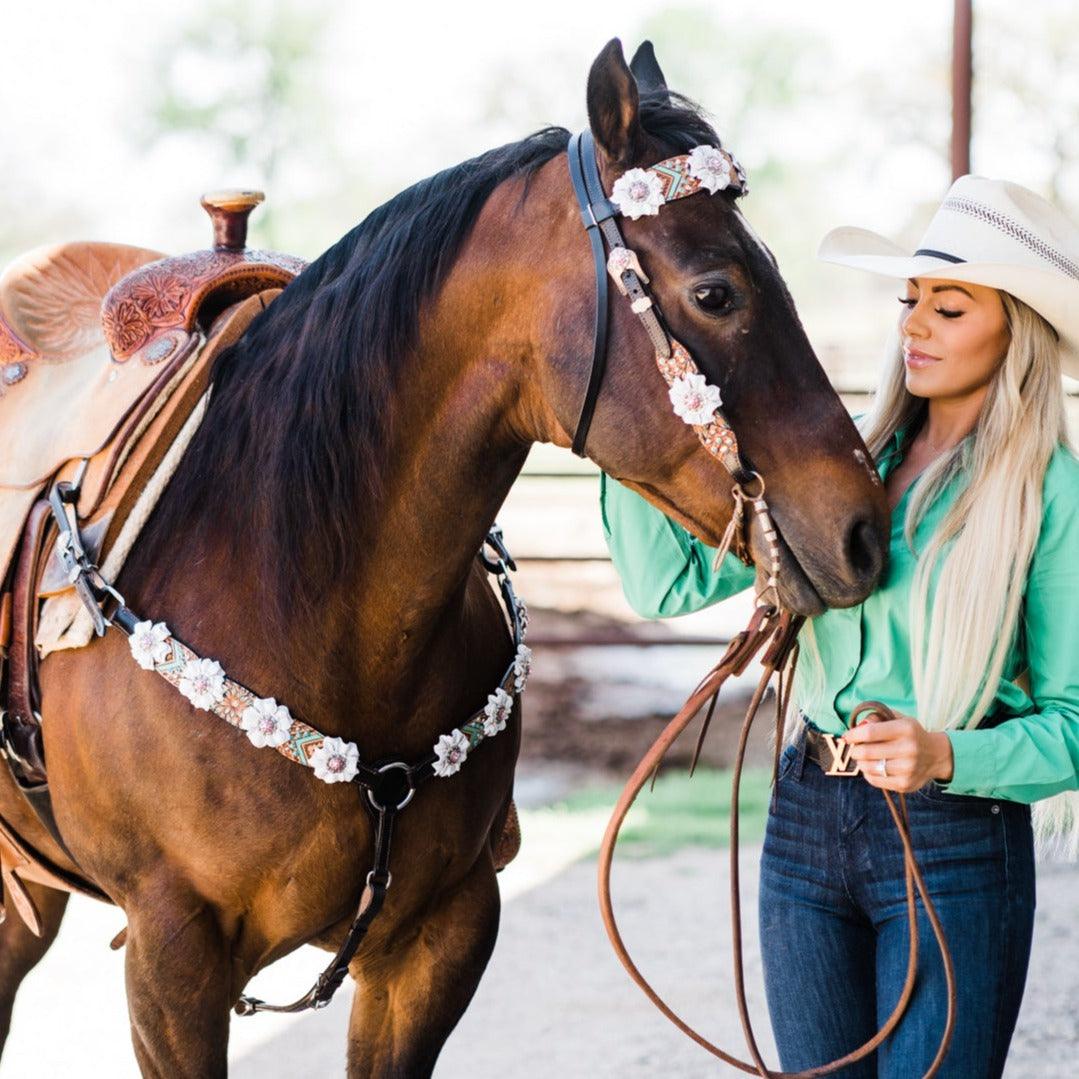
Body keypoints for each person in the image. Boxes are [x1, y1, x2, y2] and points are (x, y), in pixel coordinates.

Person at [599, 174, 1079, 1078]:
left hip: (954, 834)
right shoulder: (841, 461)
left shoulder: (1052, 496)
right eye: (911, 302)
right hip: (806, 820)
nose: (914, 327)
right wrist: (620, 437)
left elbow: (1075, 722)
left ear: (1014, 326)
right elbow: (665, 583)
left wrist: (945, 754)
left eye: (949, 307)